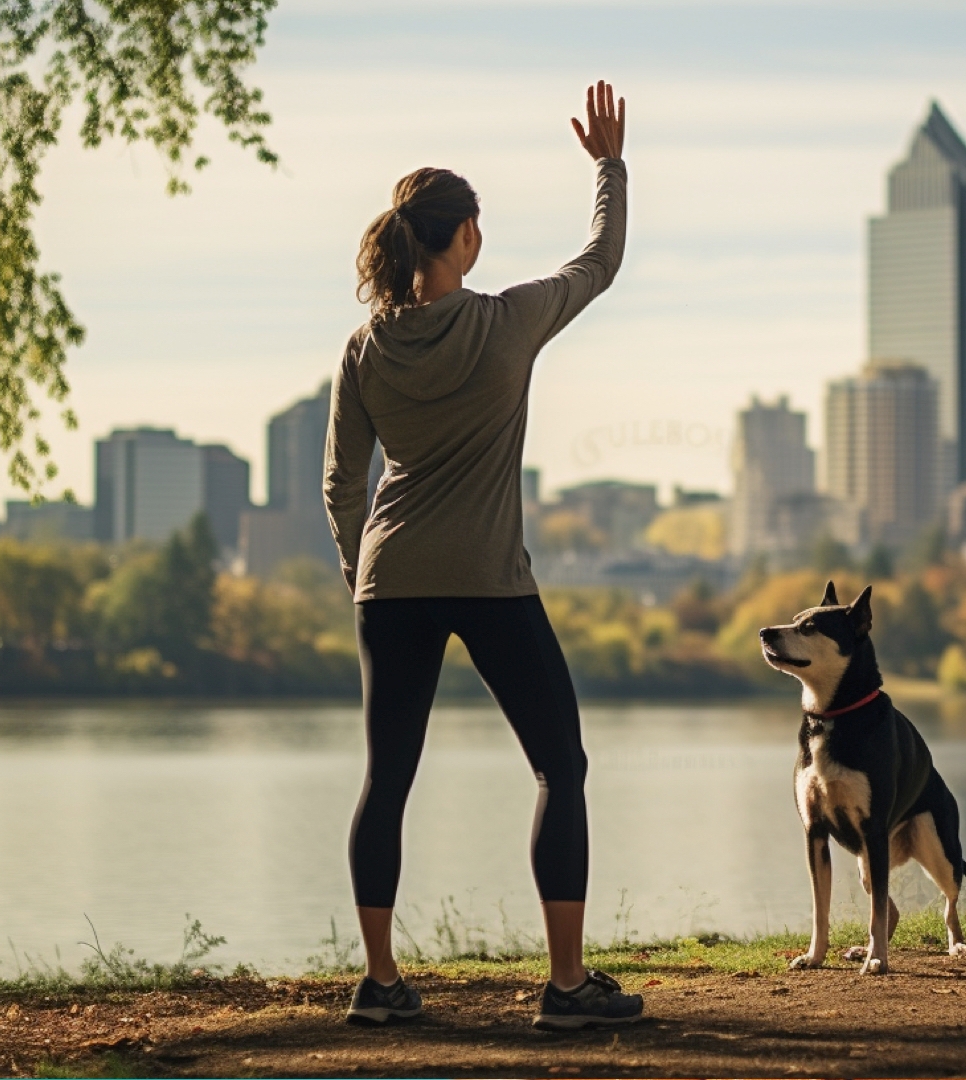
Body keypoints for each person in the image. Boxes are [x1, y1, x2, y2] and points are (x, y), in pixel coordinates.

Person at [323, 82, 639, 1030]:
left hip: (394, 581)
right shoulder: (507, 324)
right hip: (493, 581)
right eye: (478, 226)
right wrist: (609, 167)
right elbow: (601, 260)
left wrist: (361, 576)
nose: (483, 240)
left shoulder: (365, 350)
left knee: (387, 779)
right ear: (459, 237)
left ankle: (380, 987)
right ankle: (569, 987)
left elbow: (343, 484)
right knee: (560, 767)